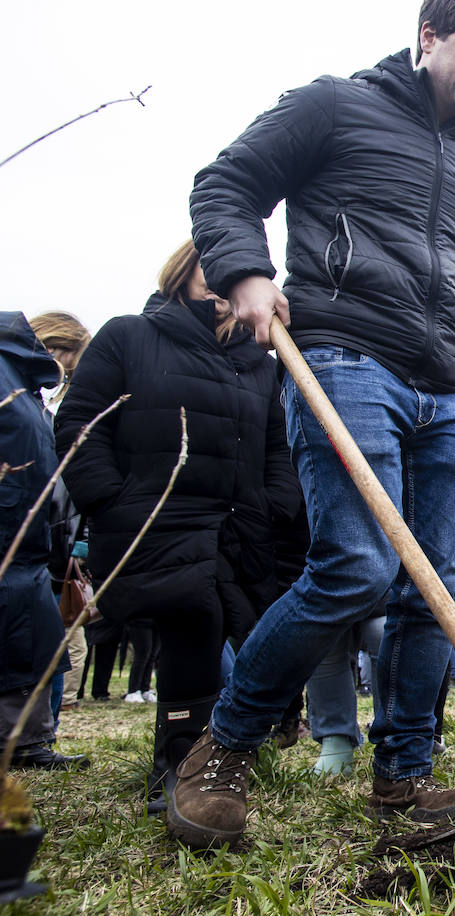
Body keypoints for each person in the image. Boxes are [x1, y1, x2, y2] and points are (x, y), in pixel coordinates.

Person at [167, 0, 455, 848]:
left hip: (448, 389)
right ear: (428, 40)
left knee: (434, 589)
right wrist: (245, 271)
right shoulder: (334, 105)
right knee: (354, 566)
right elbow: (226, 183)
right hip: (342, 358)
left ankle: (403, 774)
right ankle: (222, 746)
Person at [55, 240, 300, 812]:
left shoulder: (261, 364)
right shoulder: (128, 337)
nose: (220, 281)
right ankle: (180, 762)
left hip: (239, 528)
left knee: (244, 633)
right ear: (182, 271)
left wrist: (274, 506)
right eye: (208, 268)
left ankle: (229, 750)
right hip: (155, 521)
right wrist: (112, 501)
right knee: (192, 628)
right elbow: (80, 426)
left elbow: (278, 445)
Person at [0, 312, 86, 770]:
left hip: (30, 538)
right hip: (11, 531)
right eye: (68, 360)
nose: (65, 374)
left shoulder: (29, 392)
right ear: (54, 347)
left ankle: (29, 741)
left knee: (35, 640)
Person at [28, 311, 92, 714]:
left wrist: (81, 544)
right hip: (45, 533)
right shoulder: (41, 403)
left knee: (55, 636)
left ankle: (44, 725)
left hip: (62, 538)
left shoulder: (70, 401)